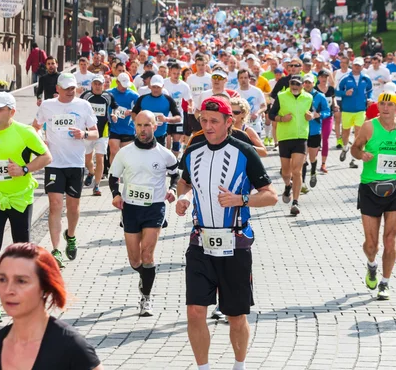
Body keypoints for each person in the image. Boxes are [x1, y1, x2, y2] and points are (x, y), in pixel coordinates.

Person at [176, 95, 278, 370]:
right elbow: (183, 182)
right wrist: (181, 198)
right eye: (204, 121)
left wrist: (241, 200)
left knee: (236, 316)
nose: (207, 126)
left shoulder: (245, 151)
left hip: (235, 243)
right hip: (200, 242)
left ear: (228, 122)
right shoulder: (193, 150)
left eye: (213, 121)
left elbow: (271, 196)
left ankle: (239, 365)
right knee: (195, 312)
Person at [0, 92, 52, 322]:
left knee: (22, 251)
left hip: (19, 198)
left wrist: (24, 169)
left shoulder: (25, 132)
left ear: (12, 112)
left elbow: (46, 156)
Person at [0, 243, 103, 369]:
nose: (9, 290)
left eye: (21, 281)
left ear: (44, 286)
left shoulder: (71, 346)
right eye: (2, 279)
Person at [109, 111, 179, 316]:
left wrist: (173, 190)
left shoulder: (165, 154)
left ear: (155, 126)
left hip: (154, 207)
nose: (142, 130)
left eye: (146, 125)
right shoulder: (125, 152)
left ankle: (146, 298)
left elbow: (176, 175)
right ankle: (145, 276)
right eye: (139, 126)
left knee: (147, 254)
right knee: (135, 260)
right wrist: (115, 195)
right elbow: (114, 177)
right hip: (130, 208)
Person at [351, 92, 396, 301]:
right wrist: (361, 155)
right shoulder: (369, 126)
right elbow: (355, 147)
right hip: (370, 187)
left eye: (390, 104)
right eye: (382, 104)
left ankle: (385, 282)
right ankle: (371, 265)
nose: (385, 107)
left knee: (390, 240)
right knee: (371, 244)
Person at [32, 73, 99, 268]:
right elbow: (34, 128)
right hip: (54, 163)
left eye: (73, 88)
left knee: (73, 207)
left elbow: (95, 132)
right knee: (55, 205)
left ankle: (70, 235)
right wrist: (40, 141)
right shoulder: (47, 106)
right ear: (58, 89)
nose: (71, 92)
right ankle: (55, 250)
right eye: (67, 88)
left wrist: (84, 133)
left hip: (75, 163)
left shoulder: (83, 106)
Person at [268, 74, 314, 215]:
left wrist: (310, 116)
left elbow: (310, 112)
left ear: (302, 85)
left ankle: (295, 202)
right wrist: (282, 118)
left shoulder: (308, 97)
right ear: (289, 84)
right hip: (285, 137)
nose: (295, 86)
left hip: (301, 137)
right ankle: (287, 185)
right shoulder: (281, 96)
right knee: (286, 172)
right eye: (292, 83)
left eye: (297, 84)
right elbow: (271, 115)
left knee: (297, 171)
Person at [80, 74, 119, 196]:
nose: (97, 86)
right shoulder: (86, 96)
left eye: (99, 84)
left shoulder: (108, 96)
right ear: (91, 84)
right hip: (88, 132)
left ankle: (96, 186)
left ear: (103, 85)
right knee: (87, 160)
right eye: (95, 84)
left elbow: (115, 107)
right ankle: (91, 172)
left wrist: (114, 114)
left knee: (100, 159)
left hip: (103, 133)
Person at [336, 57, 373, 169]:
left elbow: (370, 90)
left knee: (358, 133)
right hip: (347, 110)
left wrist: (370, 99)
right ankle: (345, 147)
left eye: (359, 65)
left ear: (362, 66)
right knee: (346, 132)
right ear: (352, 65)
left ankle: (353, 159)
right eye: (355, 65)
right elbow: (336, 91)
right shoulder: (345, 78)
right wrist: (345, 93)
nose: (357, 67)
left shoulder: (366, 78)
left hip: (360, 110)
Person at [132, 75, 182, 146]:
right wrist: (138, 122)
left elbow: (178, 117)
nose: (156, 89)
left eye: (158, 87)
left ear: (163, 86)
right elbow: (134, 113)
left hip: (160, 136)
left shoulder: (168, 100)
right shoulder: (142, 98)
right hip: (143, 135)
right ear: (150, 86)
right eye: (154, 87)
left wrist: (166, 119)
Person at [301, 74, 331, 191]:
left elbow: (327, 111)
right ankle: (302, 183)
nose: (307, 85)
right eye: (306, 82)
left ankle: (313, 171)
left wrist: (319, 115)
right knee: (302, 158)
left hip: (314, 131)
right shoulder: (300, 96)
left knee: (312, 157)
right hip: (302, 131)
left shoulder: (320, 96)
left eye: (309, 82)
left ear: (313, 83)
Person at [108, 72, 139, 164]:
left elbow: (140, 109)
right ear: (117, 82)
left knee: (127, 155)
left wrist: (131, 112)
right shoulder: (109, 93)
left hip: (128, 128)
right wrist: (112, 114)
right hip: (114, 127)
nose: (124, 87)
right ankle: (113, 175)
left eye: (126, 85)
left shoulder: (134, 95)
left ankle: (125, 174)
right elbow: (105, 108)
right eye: (122, 85)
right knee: (114, 151)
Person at [164, 63, 192, 157]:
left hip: (178, 118)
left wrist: (191, 108)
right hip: (166, 117)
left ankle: (174, 165)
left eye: (178, 74)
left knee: (176, 143)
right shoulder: (164, 83)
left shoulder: (184, 86)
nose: (176, 76)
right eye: (174, 73)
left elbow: (189, 99)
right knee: (166, 143)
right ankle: (166, 164)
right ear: (170, 73)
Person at [315, 69, 336, 173]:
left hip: (328, 116)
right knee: (316, 139)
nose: (324, 79)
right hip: (317, 118)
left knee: (326, 139)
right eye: (322, 77)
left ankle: (323, 163)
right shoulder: (315, 89)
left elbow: (333, 99)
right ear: (318, 78)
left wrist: (335, 104)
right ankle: (313, 161)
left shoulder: (331, 89)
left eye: (326, 77)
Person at [236, 69, 266, 138]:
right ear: (238, 79)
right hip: (241, 126)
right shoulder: (236, 93)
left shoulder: (257, 91)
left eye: (245, 78)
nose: (243, 80)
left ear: (249, 79)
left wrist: (257, 113)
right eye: (241, 78)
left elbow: (264, 106)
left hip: (255, 125)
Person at [186, 56, 212, 135]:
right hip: (194, 111)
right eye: (199, 65)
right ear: (195, 66)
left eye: (202, 65)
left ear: (206, 65)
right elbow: (188, 94)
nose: (201, 67)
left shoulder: (210, 78)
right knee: (196, 133)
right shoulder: (190, 78)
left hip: (207, 110)